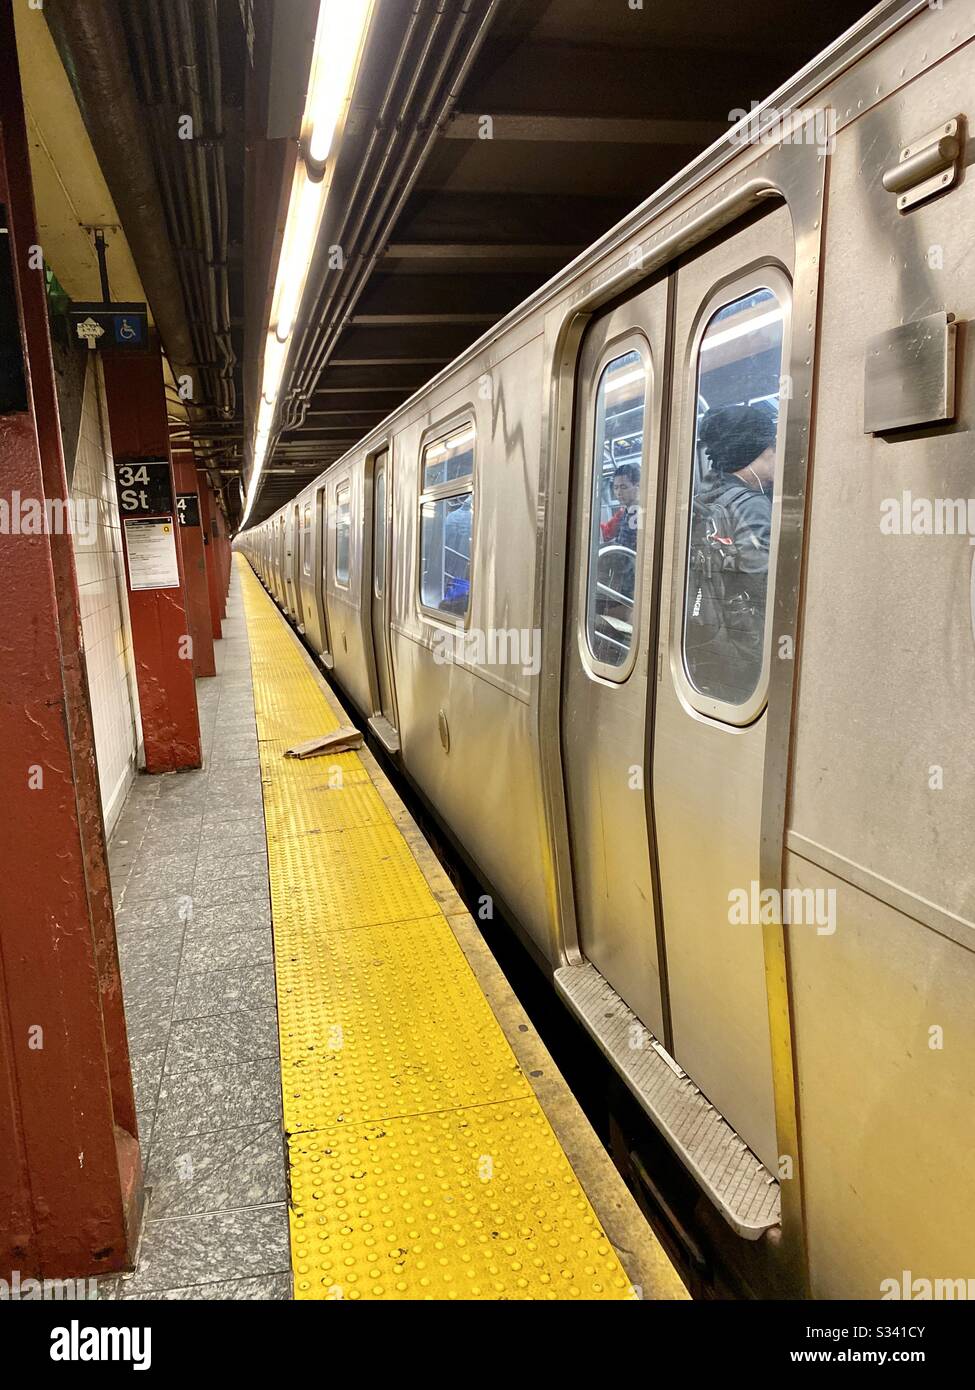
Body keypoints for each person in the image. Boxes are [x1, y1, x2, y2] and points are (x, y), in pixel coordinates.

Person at [686, 404, 777, 701]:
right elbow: (762, 581)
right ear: (754, 453)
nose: (776, 458)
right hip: (744, 642)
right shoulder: (751, 505)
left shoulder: (705, 495)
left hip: (710, 633)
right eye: (772, 449)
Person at [600, 463, 641, 550]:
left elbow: (631, 548)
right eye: (615, 488)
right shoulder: (626, 512)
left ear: (637, 486)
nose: (618, 492)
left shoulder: (639, 513)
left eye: (623, 487)